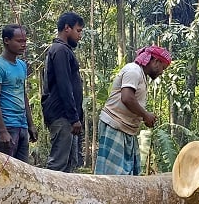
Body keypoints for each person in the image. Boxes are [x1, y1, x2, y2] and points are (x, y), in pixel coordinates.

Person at [95, 45, 172, 175]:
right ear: (155, 61)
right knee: (114, 175)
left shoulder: (140, 74)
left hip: (125, 129)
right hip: (115, 126)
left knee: (126, 174)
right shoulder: (133, 71)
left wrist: (143, 117)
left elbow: (132, 103)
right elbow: (127, 98)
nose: (162, 72)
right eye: (163, 68)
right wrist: (145, 115)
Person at [0, 24, 37, 162]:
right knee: (5, 172)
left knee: (23, 169)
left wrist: (30, 124)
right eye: (19, 41)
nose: (23, 45)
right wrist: (2, 131)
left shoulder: (21, 65)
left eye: (25, 41)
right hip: (6, 125)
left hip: (21, 125)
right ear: (7, 41)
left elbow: (23, 94)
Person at [41, 11, 84, 172]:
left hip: (67, 117)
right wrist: (74, 117)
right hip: (62, 116)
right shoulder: (60, 51)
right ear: (67, 28)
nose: (80, 35)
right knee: (58, 165)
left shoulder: (63, 50)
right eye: (78, 31)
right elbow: (64, 85)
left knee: (68, 165)